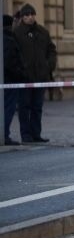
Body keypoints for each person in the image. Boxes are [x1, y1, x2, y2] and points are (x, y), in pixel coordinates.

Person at [14, 3, 57, 144]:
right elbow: (14, 54)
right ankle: (25, 135)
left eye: (32, 14)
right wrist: (20, 70)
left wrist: (49, 65)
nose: (30, 17)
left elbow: (51, 50)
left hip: (40, 76)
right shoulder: (17, 33)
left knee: (37, 107)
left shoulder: (42, 32)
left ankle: (36, 134)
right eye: (26, 15)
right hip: (24, 78)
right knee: (24, 107)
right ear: (22, 17)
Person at [3, 14, 26, 145]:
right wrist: (21, 74)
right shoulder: (9, 39)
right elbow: (11, 62)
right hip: (10, 81)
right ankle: (4, 134)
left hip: (5, 80)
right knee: (8, 108)